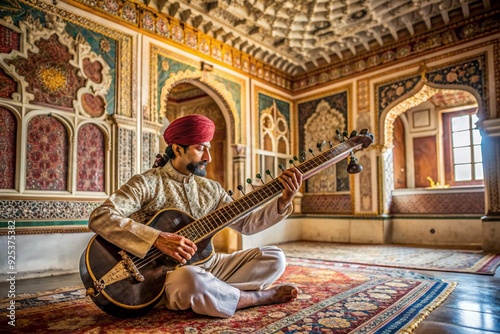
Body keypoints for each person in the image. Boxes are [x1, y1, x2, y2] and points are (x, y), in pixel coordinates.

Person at [89, 114, 303, 318]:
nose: (208, 157)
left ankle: (215, 294)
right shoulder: (148, 183)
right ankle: (254, 297)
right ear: (177, 148)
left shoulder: (212, 189)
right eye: (200, 149)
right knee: (190, 280)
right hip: (166, 275)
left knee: (275, 258)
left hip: (211, 264)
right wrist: (157, 239)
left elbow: (247, 225)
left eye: (208, 149)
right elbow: (101, 216)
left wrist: (283, 200)